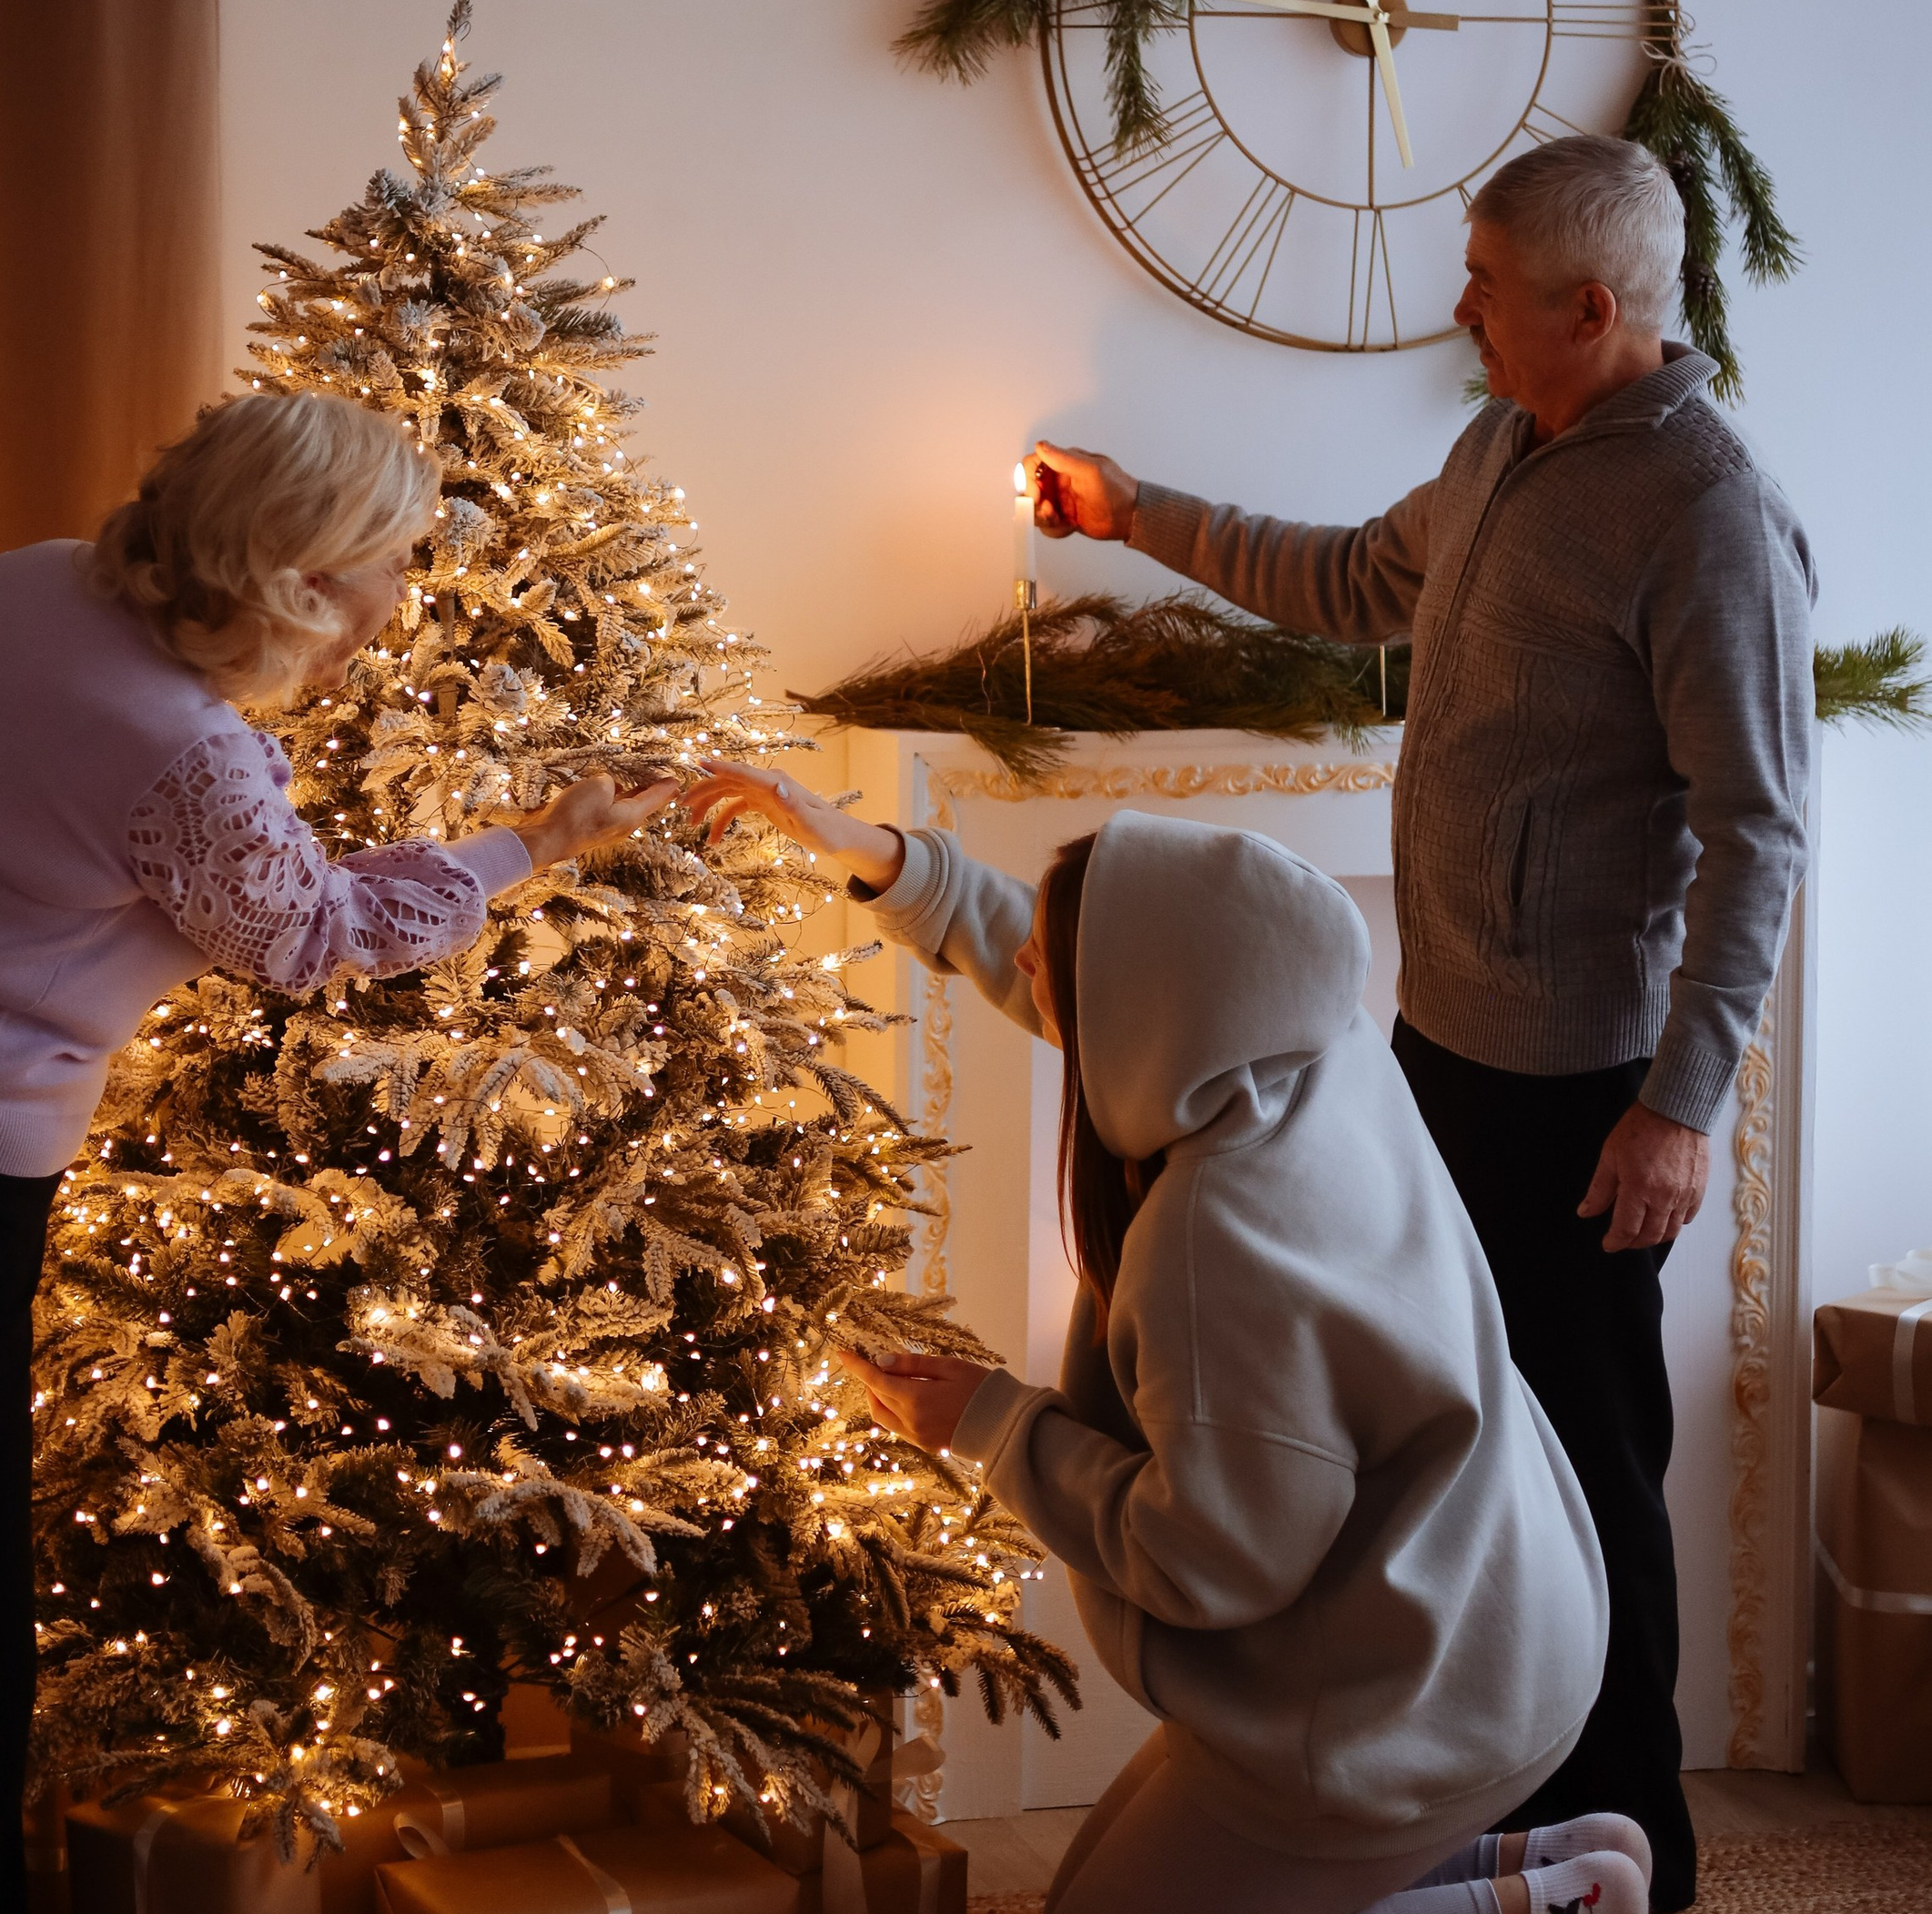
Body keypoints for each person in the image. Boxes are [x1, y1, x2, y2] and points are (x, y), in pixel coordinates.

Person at [0, 390, 673, 1914]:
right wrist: (533, 843)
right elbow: (310, 935)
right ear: (290, 583)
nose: (398, 602)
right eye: (385, 570)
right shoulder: (184, 751)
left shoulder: (15, 578)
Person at [1029, 133, 1816, 1909]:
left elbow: (1758, 830)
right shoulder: (1493, 451)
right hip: (1436, 1052)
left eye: (1481, 281)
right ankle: (1487, 1809)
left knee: (1586, 1470)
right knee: (1453, 1475)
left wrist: (1678, 1104)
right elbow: (1336, 581)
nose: (1454, 307)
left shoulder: (1703, 514)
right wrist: (1124, 505)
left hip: (1590, 1091)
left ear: (1587, 306)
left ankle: (1643, 1852)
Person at [682, 761, 1645, 1914]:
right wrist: (875, 854)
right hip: (1489, 1603)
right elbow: (1079, 971)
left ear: (1126, 1002)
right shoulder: (1306, 1044)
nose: (1028, 972)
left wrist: (989, 1421)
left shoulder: (1218, 1238)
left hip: (1409, 1698)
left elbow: (1216, 1557)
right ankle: (1541, 1865)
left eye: (1051, 965)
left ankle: (1536, 1907)